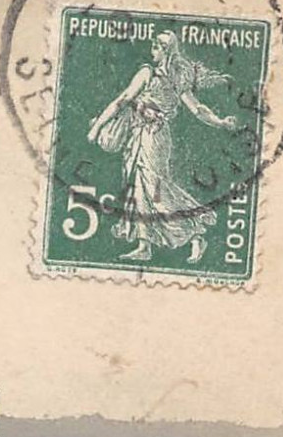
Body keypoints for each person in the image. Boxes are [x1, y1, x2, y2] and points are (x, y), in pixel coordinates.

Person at [86, 30, 241, 264]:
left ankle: (195, 233)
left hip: (152, 138)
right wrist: (220, 122)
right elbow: (195, 108)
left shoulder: (155, 75)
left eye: (156, 46)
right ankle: (144, 244)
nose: (152, 49)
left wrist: (97, 127)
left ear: (165, 50)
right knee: (139, 187)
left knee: (155, 188)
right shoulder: (162, 76)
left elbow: (123, 100)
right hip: (140, 135)